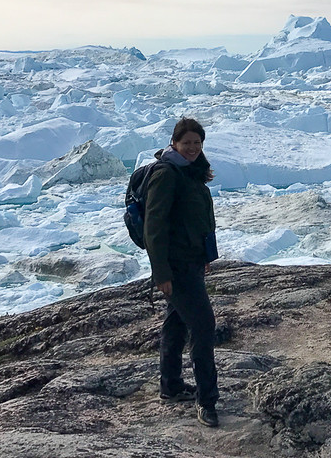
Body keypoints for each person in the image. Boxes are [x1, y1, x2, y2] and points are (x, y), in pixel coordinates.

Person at [144, 117, 219, 428]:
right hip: (176, 267)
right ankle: (207, 401)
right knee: (204, 327)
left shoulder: (192, 171)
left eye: (197, 143)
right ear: (174, 143)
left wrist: (204, 256)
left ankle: (171, 385)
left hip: (190, 262)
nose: (192, 147)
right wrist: (160, 272)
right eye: (186, 142)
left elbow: (196, 219)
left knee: (176, 323)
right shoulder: (167, 173)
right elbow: (154, 226)